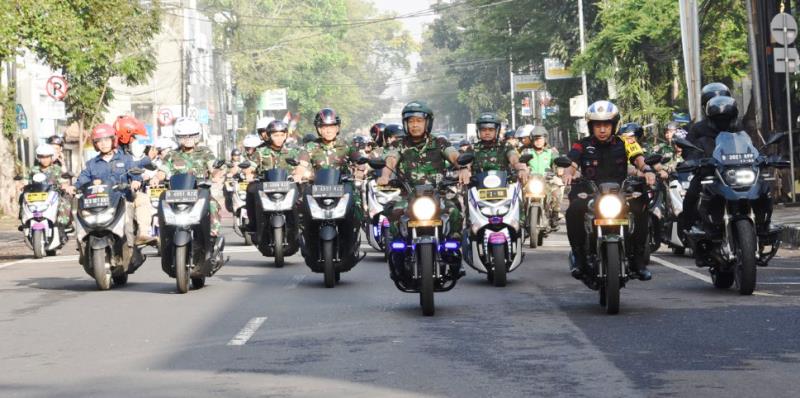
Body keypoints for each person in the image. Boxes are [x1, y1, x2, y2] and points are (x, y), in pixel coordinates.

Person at [563, 100, 656, 281]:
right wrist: (568, 173)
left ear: (614, 125)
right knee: (574, 210)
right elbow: (571, 163)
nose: (602, 129)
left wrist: (648, 171)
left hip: (620, 192)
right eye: (598, 125)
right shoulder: (581, 144)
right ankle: (579, 256)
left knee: (641, 207)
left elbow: (639, 160)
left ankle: (638, 259)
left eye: (606, 125)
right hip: (590, 191)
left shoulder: (626, 142)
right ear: (591, 126)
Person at [680, 95, 777, 247]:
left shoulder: (739, 127)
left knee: (763, 185)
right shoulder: (698, 128)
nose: (722, 121)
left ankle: (765, 224)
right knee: (692, 194)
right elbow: (688, 149)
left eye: (726, 117)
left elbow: (750, 146)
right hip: (710, 171)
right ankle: (690, 230)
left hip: (737, 171)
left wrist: (762, 157)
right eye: (719, 118)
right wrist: (695, 160)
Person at [377, 101, 469, 241]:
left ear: (427, 123)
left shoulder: (440, 142)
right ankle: (398, 251)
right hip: (407, 195)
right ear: (405, 124)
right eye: (411, 121)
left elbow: (454, 155)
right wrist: (385, 176)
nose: (415, 125)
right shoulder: (398, 145)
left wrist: (462, 168)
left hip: (438, 193)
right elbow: (391, 159)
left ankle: (453, 250)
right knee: (394, 211)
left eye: (419, 121)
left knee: (454, 211)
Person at [75, 124, 156, 246]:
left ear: (113, 140)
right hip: (99, 202)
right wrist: (73, 187)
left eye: (107, 139)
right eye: (99, 141)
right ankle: (83, 245)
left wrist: (136, 181)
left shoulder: (125, 159)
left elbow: (134, 171)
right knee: (78, 210)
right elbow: (83, 179)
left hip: (123, 199)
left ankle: (142, 234)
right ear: (95, 144)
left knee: (142, 199)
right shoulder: (91, 164)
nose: (103, 144)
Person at [152, 117, 224, 240]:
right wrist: (156, 178)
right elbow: (162, 171)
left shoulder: (205, 152)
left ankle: (212, 236)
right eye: (184, 136)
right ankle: (163, 236)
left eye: (192, 136)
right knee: (162, 203)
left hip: (199, 192)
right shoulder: (172, 154)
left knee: (212, 204)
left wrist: (216, 175)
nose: (188, 139)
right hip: (176, 196)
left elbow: (213, 168)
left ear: (197, 136)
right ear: (178, 138)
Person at [244, 120, 309, 232]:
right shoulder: (260, 151)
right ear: (269, 136)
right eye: (275, 135)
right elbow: (250, 166)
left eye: (281, 135)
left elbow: (303, 163)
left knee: (306, 191)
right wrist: (249, 174)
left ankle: (304, 223)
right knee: (250, 189)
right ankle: (253, 223)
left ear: (286, 135)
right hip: (266, 187)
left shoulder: (294, 150)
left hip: (289, 185)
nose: (279, 138)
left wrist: (299, 174)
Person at [18, 144, 73, 231]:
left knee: (65, 199)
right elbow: (26, 180)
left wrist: (65, 186)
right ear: (38, 157)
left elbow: (64, 181)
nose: (44, 159)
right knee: (22, 197)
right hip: (36, 196)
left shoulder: (57, 169)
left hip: (53, 195)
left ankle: (65, 224)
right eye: (42, 157)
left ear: (51, 157)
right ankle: (24, 221)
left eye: (47, 157)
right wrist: (22, 184)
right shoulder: (33, 169)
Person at [519, 125, 563, 223]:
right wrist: (522, 169)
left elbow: (557, 161)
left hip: (546, 181)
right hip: (530, 181)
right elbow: (521, 163)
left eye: (540, 139)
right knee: (518, 195)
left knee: (557, 192)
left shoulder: (551, 152)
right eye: (536, 139)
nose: (538, 141)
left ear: (545, 139)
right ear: (531, 139)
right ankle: (521, 217)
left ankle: (554, 216)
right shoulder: (527, 152)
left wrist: (560, 168)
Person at [470, 112, 528, 182]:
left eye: (491, 130)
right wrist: (464, 169)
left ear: (497, 131)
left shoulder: (505, 146)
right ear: (478, 131)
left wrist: (519, 167)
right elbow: (466, 163)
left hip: (503, 186)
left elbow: (513, 157)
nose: (487, 133)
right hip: (477, 188)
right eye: (483, 130)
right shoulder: (473, 148)